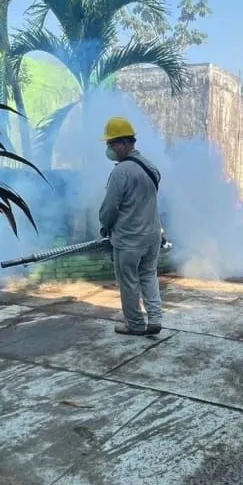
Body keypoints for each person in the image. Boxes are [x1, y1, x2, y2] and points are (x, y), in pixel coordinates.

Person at [99, 116, 165, 336]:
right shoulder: (151, 166)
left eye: (111, 144)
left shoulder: (121, 171)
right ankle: (155, 318)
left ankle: (135, 324)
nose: (109, 149)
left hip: (129, 238)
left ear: (124, 143)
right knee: (148, 274)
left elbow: (110, 207)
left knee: (128, 281)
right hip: (153, 234)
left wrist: (105, 226)